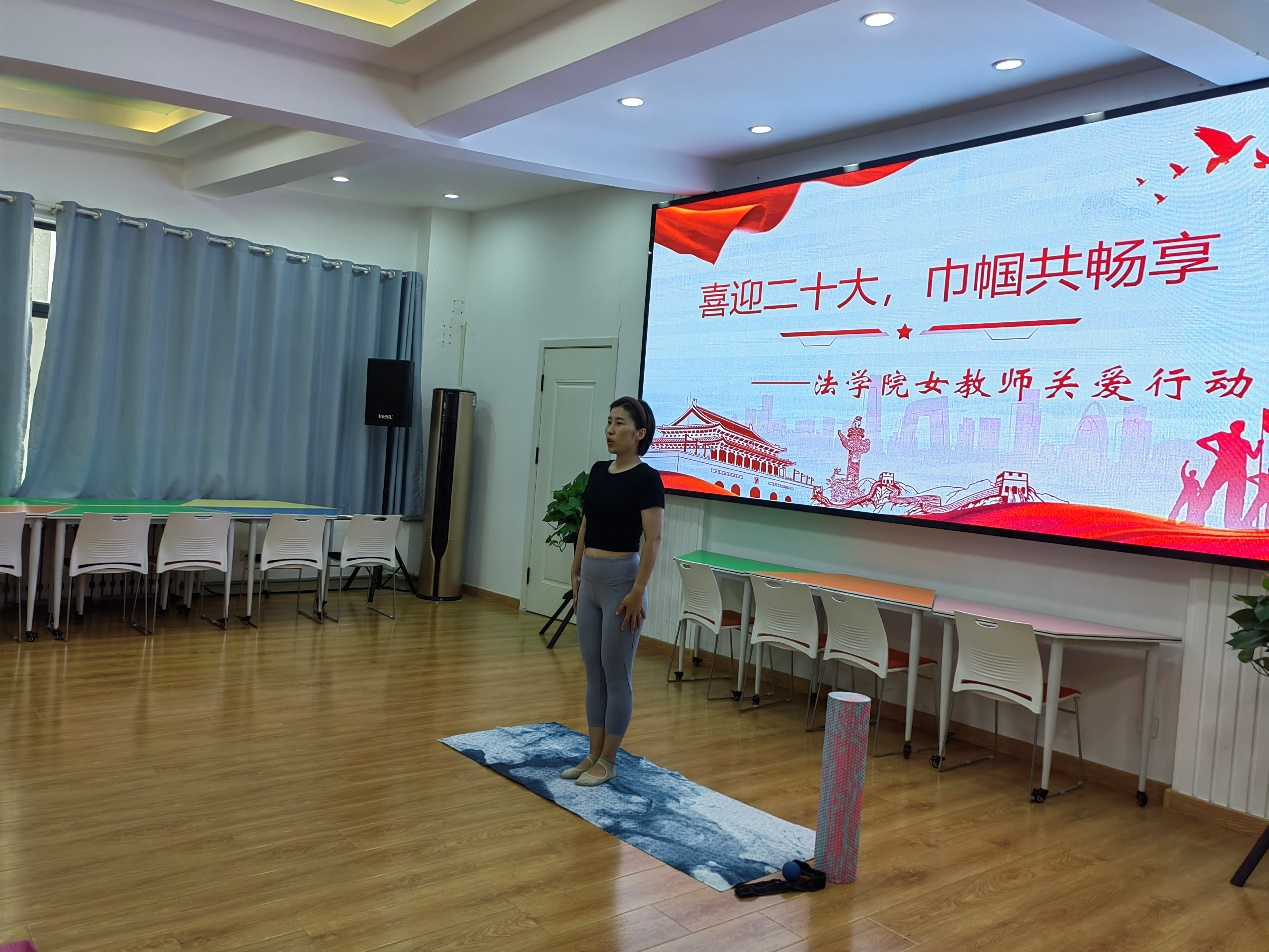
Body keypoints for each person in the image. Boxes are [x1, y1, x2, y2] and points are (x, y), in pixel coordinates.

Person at [562, 396, 664, 787]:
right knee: (594, 673)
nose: (610, 429)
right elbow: (586, 525)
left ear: (639, 434)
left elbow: (653, 540)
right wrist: (575, 570)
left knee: (616, 675)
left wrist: (638, 590)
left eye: (620, 423)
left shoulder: (647, 479)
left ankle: (609, 760)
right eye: (609, 421)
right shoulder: (598, 471)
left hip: (623, 585)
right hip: (590, 580)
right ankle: (592, 753)